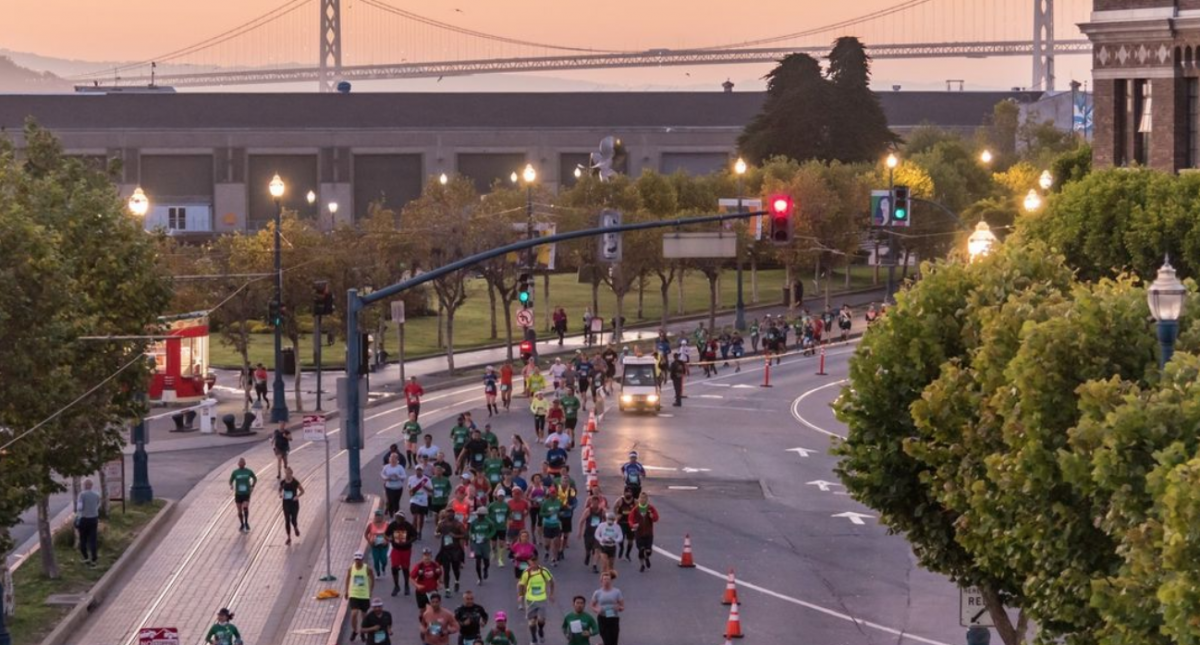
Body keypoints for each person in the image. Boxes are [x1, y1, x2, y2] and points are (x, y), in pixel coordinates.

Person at [517, 554, 555, 643]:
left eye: (535, 560)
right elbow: (521, 584)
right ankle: (534, 638)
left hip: (541, 599)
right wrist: (521, 595)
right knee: (532, 622)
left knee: (541, 620)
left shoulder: (544, 571)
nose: (534, 562)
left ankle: (541, 630)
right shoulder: (526, 572)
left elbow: (552, 582)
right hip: (530, 600)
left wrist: (551, 594)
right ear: (529, 562)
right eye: (532, 561)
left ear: (538, 561)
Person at [435, 509, 467, 597]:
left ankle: (457, 581)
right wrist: (437, 535)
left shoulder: (458, 524)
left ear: (454, 514)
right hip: (445, 550)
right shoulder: (442, 524)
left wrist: (456, 536)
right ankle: (447, 589)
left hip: (455, 550)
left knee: (456, 569)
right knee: (446, 570)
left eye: (451, 514)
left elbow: (466, 535)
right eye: (448, 513)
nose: (449, 515)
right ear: (445, 514)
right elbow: (436, 532)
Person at [628, 492, 659, 572]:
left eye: (644, 498)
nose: (642, 500)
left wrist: (653, 517)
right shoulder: (635, 509)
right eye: (641, 498)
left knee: (648, 551)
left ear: (647, 499)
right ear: (638, 499)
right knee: (641, 550)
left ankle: (647, 557)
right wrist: (633, 525)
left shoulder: (650, 508)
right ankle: (642, 565)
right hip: (639, 533)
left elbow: (656, 518)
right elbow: (630, 519)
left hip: (649, 533)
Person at [387, 511, 417, 596]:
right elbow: (386, 534)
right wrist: (390, 539)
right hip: (396, 549)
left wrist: (408, 542)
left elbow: (415, 536)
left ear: (403, 519)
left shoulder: (408, 526)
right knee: (394, 568)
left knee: (405, 568)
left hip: (406, 550)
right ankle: (396, 586)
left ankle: (406, 585)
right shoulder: (393, 525)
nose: (398, 520)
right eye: (397, 518)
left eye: (400, 518)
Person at [346, 552, 374, 642]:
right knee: (354, 613)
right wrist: (346, 591)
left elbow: (372, 578)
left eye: (359, 559)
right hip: (354, 594)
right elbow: (347, 578)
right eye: (356, 559)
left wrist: (370, 590)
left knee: (364, 616)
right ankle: (355, 630)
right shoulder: (351, 568)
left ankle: (363, 631)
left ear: (362, 559)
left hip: (364, 595)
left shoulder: (367, 569)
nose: (358, 561)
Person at [591, 571, 624, 645]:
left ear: (611, 580)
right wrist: (597, 610)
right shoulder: (597, 593)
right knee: (606, 639)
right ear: (601, 581)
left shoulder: (617, 592)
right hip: (603, 618)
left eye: (608, 579)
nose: (606, 581)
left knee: (613, 641)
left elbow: (622, 606)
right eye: (604, 579)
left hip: (613, 618)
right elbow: (592, 605)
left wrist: (618, 608)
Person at [76, 478, 101, 566]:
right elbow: (98, 504)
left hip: (84, 519)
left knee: (83, 539)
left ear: (84, 485)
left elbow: (79, 507)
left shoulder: (82, 495)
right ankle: (94, 558)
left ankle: (86, 557)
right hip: (94, 519)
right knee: (92, 539)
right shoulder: (96, 495)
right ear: (91, 485)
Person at [411, 547, 444, 613]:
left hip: (432, 591)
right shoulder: (419, 566)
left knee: (433, 609)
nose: (427, 557)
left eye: (428, 555)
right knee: (422, 610)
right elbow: (411, 577)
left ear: (431, 556)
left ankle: (432, 622)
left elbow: (440, 573)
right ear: (422, 557)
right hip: (421, 592)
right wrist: (416, 585)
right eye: (425, 555)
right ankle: (423, 622)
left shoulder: (435, 565)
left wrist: (440, 582)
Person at [469, 506, 496, 584]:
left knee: (486, 561)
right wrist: (472, 537)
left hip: (485, 544)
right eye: (479, 515)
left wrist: (488, 537)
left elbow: (493, 531)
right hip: (476, 543)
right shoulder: (474, 522)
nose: (480, 516)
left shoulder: (489, 522)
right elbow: (471, 531)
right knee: (477, 560)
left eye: (482, 515)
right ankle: (479, 578)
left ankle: (485, 569)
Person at [230, 458, 257, 533]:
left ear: (244, 464)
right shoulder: (235, 472)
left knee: (245, 507)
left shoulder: (248, 471)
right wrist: (231, 485)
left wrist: (252, 486)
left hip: (246, 493)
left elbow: (255, 478)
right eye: (240, 463)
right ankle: (242, 524)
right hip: (238, 494)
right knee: (239, 511)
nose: (241, 464)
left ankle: (246, 522)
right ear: (238, 464)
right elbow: (231, 480)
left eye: (242, 463)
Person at [280, 467, 304, 546]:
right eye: (286, 473)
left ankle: (295, 528)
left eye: (288, 473)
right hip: (286, 503)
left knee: (293, 519)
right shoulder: (283, 482)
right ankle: (289, 537)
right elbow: (280, 489)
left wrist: (297, 496)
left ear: (291, 473)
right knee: (287, 520)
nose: (287, 475)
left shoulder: (295, 482)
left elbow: (302, 491)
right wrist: (280, 494)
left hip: (294, 503)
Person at [364, 508, 391, 577]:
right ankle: (378, 572)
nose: (378, 517)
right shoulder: (371, 525)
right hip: (374, 545)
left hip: (383, 546)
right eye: (376, 515)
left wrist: (387, 540)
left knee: (383, 559)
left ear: (382, 517)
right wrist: (369, 541)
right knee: (376, 560)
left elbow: (390, 534)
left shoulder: (386, 525)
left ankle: (383, 567)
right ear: (375, 516)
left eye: (379, 515)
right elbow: (366, 534)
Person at [612, 490, 636, 563]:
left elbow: (638, 509)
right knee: (620, 538)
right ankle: (621, 548)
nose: (628, 494)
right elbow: (614, 507)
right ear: (624, 493)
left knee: (630, 541)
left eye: (630, 492)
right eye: (627, 492)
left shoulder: (635, 501)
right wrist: (617, 514)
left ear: (632, 493)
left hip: (630, 523)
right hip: (621, 522)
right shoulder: (620, 500)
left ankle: (627, 554)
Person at [408, 464, 432, 538]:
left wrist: (424, 486)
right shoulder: (411, 478)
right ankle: (413, 533)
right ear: (415, 471)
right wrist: (411, 492)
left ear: (422, 471)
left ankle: (419, 532)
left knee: (421, 518)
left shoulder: (426, 479)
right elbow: (409, 489)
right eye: (417, 470)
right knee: (415, 516)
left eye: (420, 470)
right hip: (414, 500)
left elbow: (431, 490)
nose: (418, 472)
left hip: (423, 501)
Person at [382, 452, 407, 518]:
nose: (392, 459)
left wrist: (398, 476)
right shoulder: (386, 467)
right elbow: (382, 474)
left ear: (397, 459)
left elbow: (404, 476)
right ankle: (391, 516)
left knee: (396, 502)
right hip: (389, 487)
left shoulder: (400, 467)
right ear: (389, 459)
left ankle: (397, 515)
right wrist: (387, 478)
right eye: (391, 458)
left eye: (394, 458)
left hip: (398, 487)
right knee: (390, 501)